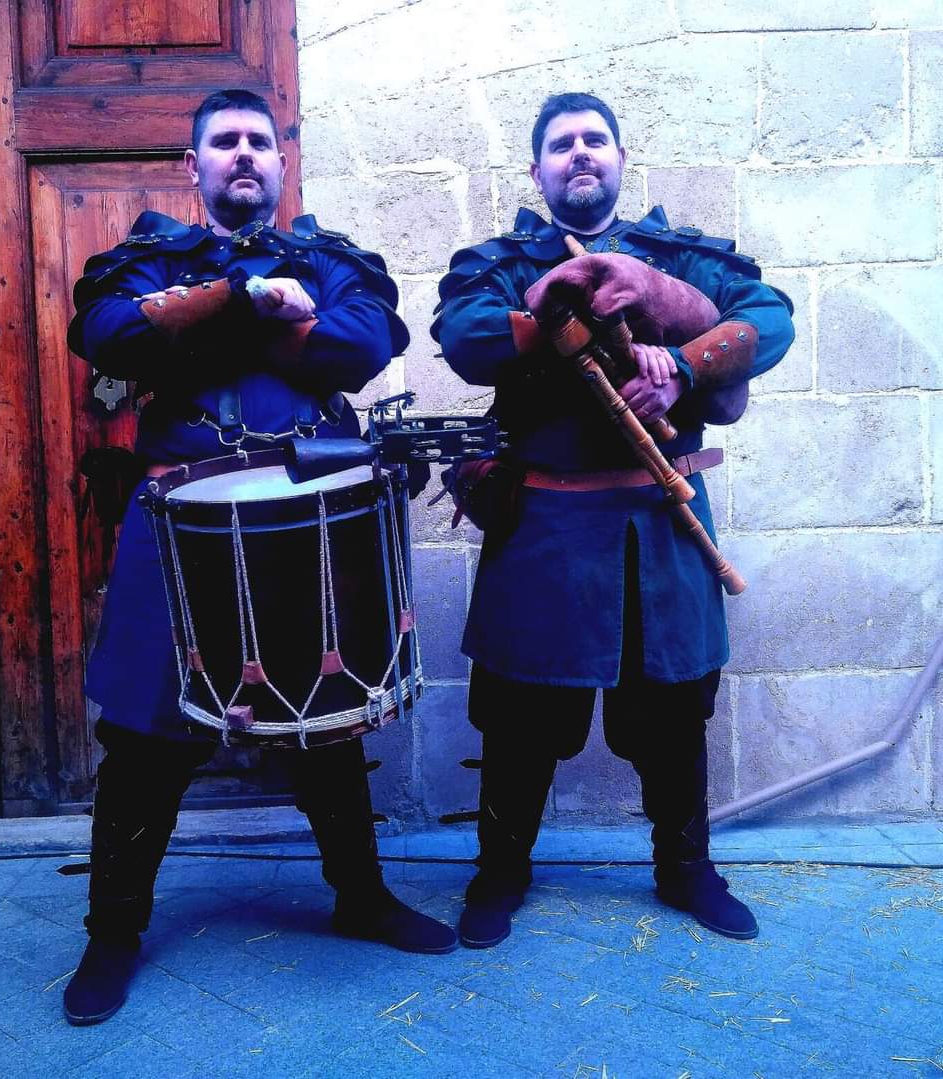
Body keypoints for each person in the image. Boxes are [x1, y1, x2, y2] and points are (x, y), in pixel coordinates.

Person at [63, 88, 457, 1026]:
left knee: (325, 717)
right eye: (223, 143)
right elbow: (108, 334)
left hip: (303, 520)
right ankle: (113, 932)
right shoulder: (145, 259)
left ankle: (359, 897)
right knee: (145, 737)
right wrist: (241, 298)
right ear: (192, 167)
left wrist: (250, 319)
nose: (244, 156)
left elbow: (361, 345)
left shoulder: (330, 260)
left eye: (259, 142)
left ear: (283, 164)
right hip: (176, 520)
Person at [431, 92, 795, 949]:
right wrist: (562, 304)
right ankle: (500, 874)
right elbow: (467, 335)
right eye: (561, 144)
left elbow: (769, 320)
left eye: (596, 140)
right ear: (538, 170)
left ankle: (687, 870)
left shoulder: (683, 257)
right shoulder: (495, 261)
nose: (580, 154)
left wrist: (681, 349)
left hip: (661, 524)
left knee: (673, 716)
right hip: (543, 531)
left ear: (622, 159)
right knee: (520, 722)